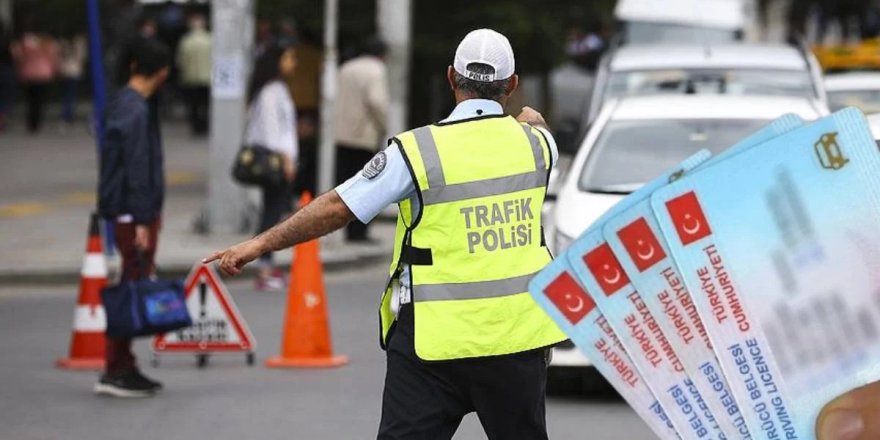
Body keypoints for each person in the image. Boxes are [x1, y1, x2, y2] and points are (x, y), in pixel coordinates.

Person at [206, 29, 566, 439]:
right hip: (515, 340)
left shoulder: (416, 152)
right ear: (513, 84)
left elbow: (338, 207)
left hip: (433, 343)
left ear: (451, 77)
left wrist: (258, 244)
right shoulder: (538, 147)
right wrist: (527, 116)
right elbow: (534, 120)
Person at [95, 39, 171, 398]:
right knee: (131, 286)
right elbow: (137, 169)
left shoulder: (122, 102)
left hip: (128, 211)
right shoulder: (136, 110)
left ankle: (122, 364)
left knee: (132, 282)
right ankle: (116, 368)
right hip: (132, 214)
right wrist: (143, 219)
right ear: (162, 72)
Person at [244, 41, 299, 291]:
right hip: (276, 161)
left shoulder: (276, 88)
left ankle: (266, 263)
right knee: (272, 213)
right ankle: (264, 267)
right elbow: (271, 131)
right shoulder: (271, 91)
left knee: (273, 211)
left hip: (280, 159)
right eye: (288, 57)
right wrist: (286, 159)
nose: (292, 63)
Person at [334, 37, 389, 243]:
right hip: (363, 135)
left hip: (342, 133)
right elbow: (377, 101)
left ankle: (348, 229)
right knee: (367, 184)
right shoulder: (376, 70)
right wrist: (383, 125)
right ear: (382, 54)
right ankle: (360, 232)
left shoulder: (346, 68)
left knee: (346, 184)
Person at [10, 27, 58, 134]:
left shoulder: (25, 42)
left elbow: (17, 55)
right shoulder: (47, 42)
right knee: (40, 100)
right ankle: (36, 122)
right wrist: (54, 70)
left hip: (28, 73)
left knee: (30, 100)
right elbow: (53, 57)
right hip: (44, 73)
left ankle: (31, 122)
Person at [176, 14, 212, 136]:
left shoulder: (186, 41)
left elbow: (180, 61)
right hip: (207, 78)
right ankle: (205, 125)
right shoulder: (210, 40)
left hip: (191, 78)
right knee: (206, 104)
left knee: (194, 105)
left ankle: (196, 127)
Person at [58, 32, 87, 127]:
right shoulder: (79, 43)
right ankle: (68, 115)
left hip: (64, 70)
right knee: (71, 94)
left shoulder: (62, 43)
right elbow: (81, 58)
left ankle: (66, 115)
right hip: (74, 71)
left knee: (66, 94)